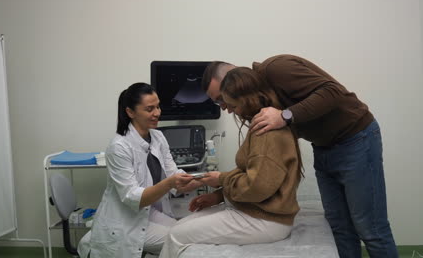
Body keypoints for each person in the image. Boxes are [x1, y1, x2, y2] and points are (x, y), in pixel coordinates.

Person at [201, 54, 398, 258]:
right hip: (323, 147)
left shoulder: (277, 69)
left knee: (371, 229)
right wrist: (220, 193)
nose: (226, 107)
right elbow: (259, 173)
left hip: (356, 138)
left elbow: (333, 92)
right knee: (339, 226)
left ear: (235, 79)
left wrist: (286, 116)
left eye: (222, 98)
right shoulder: (263, 104)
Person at [158, 67, 303, 258]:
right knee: (180, 226)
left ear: (247, 98)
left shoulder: (266, 132)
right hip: (256, 211)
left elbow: (257, 187)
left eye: (233, 106)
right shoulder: (264, 124)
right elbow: (253, 173)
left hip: (267, 220)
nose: (231, 111)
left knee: (176, 235)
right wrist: (219, 196)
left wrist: (222, 180)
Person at [83, 83, 203, 258]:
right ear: (130, 112)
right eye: (149, 109)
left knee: (188, 233)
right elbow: (133, 197)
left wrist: (198, 180)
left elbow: (173, 173)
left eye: (158, 106)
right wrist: (170, 183)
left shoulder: (157, 136)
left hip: (149, 214)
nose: (157, 113)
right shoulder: (119, 147)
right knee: (182, 241)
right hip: (126, 222)